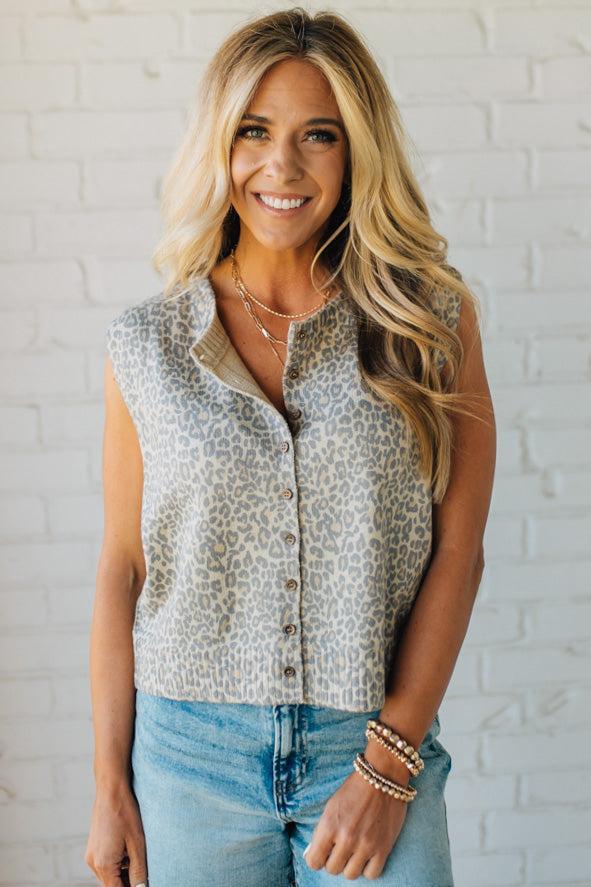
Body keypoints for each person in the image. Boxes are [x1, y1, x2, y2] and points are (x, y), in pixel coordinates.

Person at [85, 7, 496, 886]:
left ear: (357, 152)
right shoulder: (145, 344)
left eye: (320, 135)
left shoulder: (429, 324)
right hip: (187, 761)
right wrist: (109, 785)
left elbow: (458, 553)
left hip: (372, 743)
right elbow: (122, 567)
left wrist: (389, 763)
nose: (282, 166)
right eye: (254, 131)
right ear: (219, 144)